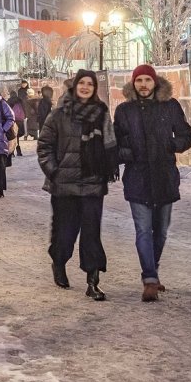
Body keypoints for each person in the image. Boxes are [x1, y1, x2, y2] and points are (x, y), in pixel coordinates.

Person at [113, 64, 191, 302]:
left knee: (160, 232)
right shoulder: (124, 111)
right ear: (133, 84)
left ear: (155, 82)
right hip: (137, 178)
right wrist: (127, 153)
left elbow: (186, 135)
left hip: (164, 177)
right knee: (143, 230)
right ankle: (149, 279)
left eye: (148, 80)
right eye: (139, 81)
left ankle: (152, 270)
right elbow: (116, 143)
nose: (144, 85)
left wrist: (172, 145)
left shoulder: (170, 106)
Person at [37, 69, 119, 301]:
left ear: (94, 88)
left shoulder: (101, 113)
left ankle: (93, 281)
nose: (85, 87)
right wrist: (55, 170)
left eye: (90, 84)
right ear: (74, 86)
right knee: (65, 232)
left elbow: (109, 144)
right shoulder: (59, 114)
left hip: (93, 183)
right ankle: (59, 261)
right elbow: (44, 146)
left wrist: (106, 169)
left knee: (92, 234)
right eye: (81, 83)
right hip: (65, 185)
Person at [7, 90, 25, 156]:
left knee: (13, 136)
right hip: (20, 120)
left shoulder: (9, 101)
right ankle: (19, 150)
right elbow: (24, 108)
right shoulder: (20, 100)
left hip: (13, 120)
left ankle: (12, 152)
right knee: (17, 136)